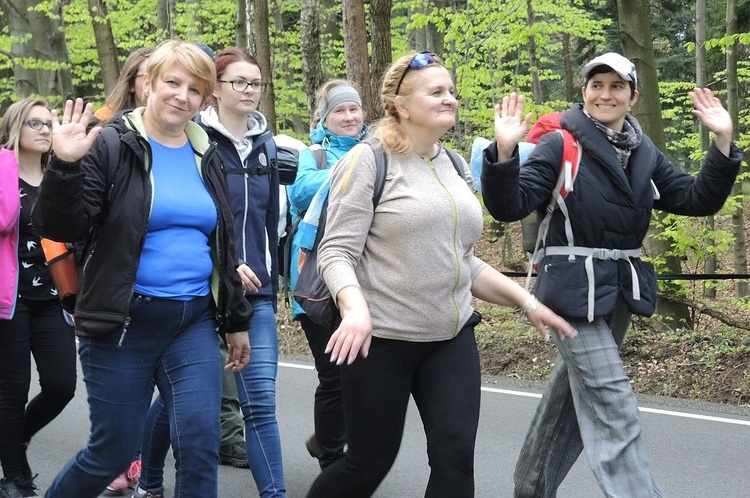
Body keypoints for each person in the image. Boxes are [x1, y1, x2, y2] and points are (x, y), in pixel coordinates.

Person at [305, 51, 575, 498]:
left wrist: (528, 303)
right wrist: (353, 309)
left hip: (449, 339)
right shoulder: (369, 161)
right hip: (380, 338)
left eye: (451, 90)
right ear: (402, 105)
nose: (449, 98)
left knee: (454, 460)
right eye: (436, 91)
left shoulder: (452, 163)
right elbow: (335, 252)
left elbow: (465, 261)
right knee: (367, 464)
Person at [480, 52, 742, 498]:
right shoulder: (560, 144)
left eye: (616, 86)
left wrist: (722, 141)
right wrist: (504, 152)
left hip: (618, 287)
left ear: (632, 96)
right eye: (596, 85)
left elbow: (696, 199)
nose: (606, 94)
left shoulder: (644, 152)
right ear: (584, 92)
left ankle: (531, 488)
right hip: (569, 289)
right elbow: (509, 206)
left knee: (567, 403)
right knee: (614, 402)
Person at [30, 40, 253, 498]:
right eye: (173, 82)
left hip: (192, 321)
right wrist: (66, 166)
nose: (182, 96)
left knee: (199, 444)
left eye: (195, 89)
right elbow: (59, 224)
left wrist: (235, 320)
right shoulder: (110, 144)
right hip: (122, 322)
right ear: (148, 83)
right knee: (110, 455)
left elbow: (222, 242)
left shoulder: (206, 151)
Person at [135, 46, 286, 498]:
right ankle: (150, 479)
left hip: (256, 292)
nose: (248, 90)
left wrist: (275, 275)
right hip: (202, 291)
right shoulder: (193, 141)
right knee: (185, 396)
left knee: (259, 402)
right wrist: (226, 262)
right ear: (214, 91)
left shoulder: (268, 145)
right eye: (237, 81)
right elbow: (185, 219)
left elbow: (272, 220)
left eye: (255, 83)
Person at [286, 79, 368, 469]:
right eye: (340, 110)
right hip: (316, 281)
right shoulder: (314, 156)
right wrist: (357, 171)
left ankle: (328, 437)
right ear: (325, 117)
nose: (349, 117)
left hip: (366, 279)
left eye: (354, 109)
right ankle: (332, 459)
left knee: (365, 374)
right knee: (334, 373)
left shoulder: (379, 148)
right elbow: (301, 192)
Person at [0, 99, 77, 497]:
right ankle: (14, 475)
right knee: (12, 389)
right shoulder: (1, 171)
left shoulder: (57, 175)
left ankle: (13, 441)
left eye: (50, 123)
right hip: (9, 299)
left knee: (62, 385)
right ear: (16, 126)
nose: (46, 129)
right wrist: (6, 164)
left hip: (52, 296)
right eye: (36, 123)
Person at [94, 47, 153, 122]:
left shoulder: (170, 121)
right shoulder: (104, 118)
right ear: (131, 84)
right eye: (149, 77)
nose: (156, 83)